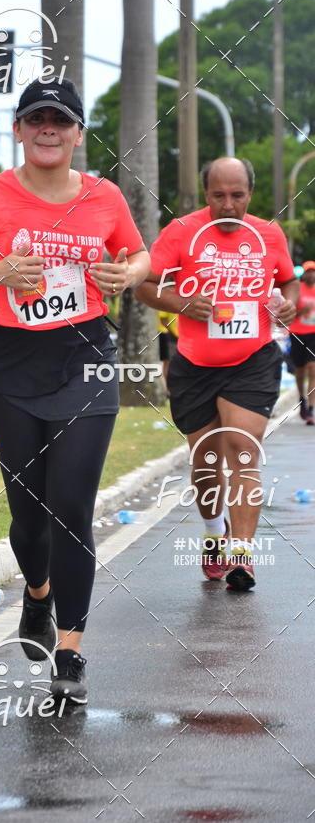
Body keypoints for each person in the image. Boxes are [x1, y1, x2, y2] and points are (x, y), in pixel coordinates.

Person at [0, 78, 149, 704]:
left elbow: (140, 256)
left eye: (61, 119)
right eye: (36, 118)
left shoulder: (105, 197)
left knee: (72, 508)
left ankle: (71, 651)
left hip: (87, 359)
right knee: (29, 517)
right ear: (20, 130)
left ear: (78, 133)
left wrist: (126, 272)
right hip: (12, 365)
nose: (49, 128)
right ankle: (37, 594)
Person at [135, 157, 298, 590]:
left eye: (237, 196)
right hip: (194, 365)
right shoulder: (182, 232)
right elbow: (145, 284)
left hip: (253, 360)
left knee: (242, 450)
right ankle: (214, 536)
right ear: (205, 194)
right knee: (206, 460)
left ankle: (242, 557)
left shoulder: (268, 234)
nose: (228, 205)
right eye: (218, 196)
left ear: (250, 194)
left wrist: (288, 303)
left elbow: (288, 281)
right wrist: (185, 304)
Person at [289, 260, 315, 424]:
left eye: (313, 271)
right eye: (309, 271)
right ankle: (302, 399)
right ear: (304, 274)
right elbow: (289, 313)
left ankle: (311, 408)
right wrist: (301, 311)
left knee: (312, 369)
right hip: (298, 333)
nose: (311, 274)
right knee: (300, 371)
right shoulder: (297, 289)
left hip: (314, 334)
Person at [157, 310, 178, 394]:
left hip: (176, 334)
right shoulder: (165, 299)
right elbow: (163, 319)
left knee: (172, 362)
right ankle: (169, 388)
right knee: (168, 362)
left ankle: (172, 387)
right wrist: (173, 331)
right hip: (166, 333)